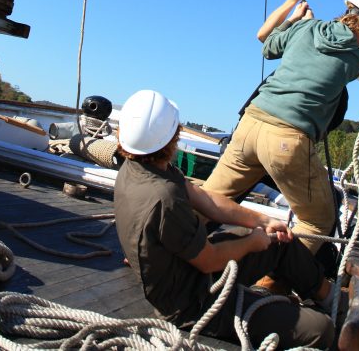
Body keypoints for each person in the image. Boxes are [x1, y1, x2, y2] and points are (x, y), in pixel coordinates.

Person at [114, 89, 335, 350]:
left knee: (281, 240)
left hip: (191, 271)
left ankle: (328, 297)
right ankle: (324, 313)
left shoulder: (141, 167)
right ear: (173, 137)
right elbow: (209, 261)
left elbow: (206, 200)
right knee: (321, 329)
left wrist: (262, 221)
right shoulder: (164, 198)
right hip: (193, 303)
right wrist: (252, 243)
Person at [204, 0, 359, 254]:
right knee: (318, 220)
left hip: (250, 124)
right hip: (286, 139)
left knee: (207, 201)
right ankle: (271, 275)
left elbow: (267, 45)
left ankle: (169, 250)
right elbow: (338, 54)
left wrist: (297, 20)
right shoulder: (357, 59)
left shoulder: (307, 28)